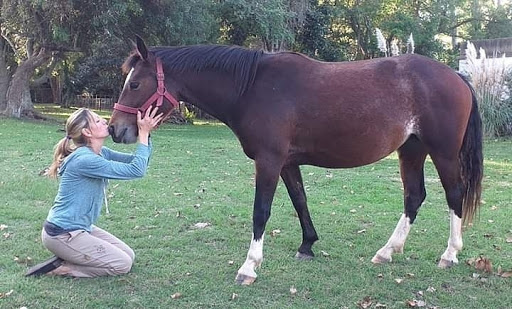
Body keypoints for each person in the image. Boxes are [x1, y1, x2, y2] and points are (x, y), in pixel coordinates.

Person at [26, 106, 163, 277]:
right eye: (97, 121)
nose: (105, 121)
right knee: (122, 264)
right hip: (62, 234)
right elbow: (137, 170)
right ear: (87, 132)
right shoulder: (85, 160)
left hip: (80, 228)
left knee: (129, 255)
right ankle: (64, 268)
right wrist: (142, 134)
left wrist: (146, 135)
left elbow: (138, 162)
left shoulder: (100, 152)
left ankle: (73, 255)